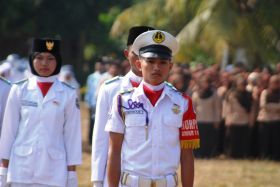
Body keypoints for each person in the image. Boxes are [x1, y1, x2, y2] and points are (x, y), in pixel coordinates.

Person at [106, 30, 200, 187]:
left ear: (170, 66)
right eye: (150, 61)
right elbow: (114, 151)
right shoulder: (122, 100)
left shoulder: (183, 103)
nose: (156, 67)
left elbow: (187, 154)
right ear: (138, 64)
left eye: (163, 62)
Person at [0, 38, 82, 187]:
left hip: (55, 172)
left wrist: (72, 174)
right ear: (32, 59)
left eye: (50, 58)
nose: (45, 63)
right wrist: (3, 169)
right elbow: (8, 132)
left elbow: (72, 137)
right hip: (20, 170)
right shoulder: (19, 89)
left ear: (58, 61)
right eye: (39, 58)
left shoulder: (68, 94)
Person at [91, 26, 154, 187]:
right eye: (137, 52)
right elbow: (100, 138)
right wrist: (97, 180)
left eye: (148, 52)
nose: (142, 58)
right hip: (118, 177)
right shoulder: (111, 88)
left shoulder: (165, 92)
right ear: (127, 54)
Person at [84, 61, 104, 145]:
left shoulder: (103, 77)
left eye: (100, 65)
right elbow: (89, 90)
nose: (99, 67)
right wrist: (87, 101)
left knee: (99, 122)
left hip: (100, 102)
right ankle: (90, 139)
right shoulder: (91, 77)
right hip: (92, 102)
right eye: (97, 65)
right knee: (91, 122)